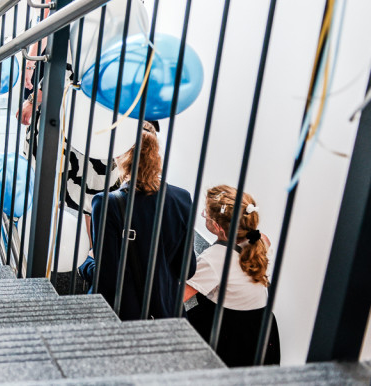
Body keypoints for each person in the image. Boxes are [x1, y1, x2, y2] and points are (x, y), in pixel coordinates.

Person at [78, 129, 196, 320]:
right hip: (167, 312)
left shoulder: (107, 203)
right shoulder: (181, 198)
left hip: (123, 315)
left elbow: (106, 278)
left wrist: (85, 263)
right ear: (156, 156)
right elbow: (187, 269)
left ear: (120, 157)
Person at [184, 186, 281, 367]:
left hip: (230, 331)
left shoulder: (215, 258)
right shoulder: (261, 240)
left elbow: (179, 296)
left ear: (218, 226)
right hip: (262, 327)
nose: (203, 215)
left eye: (206, 213)